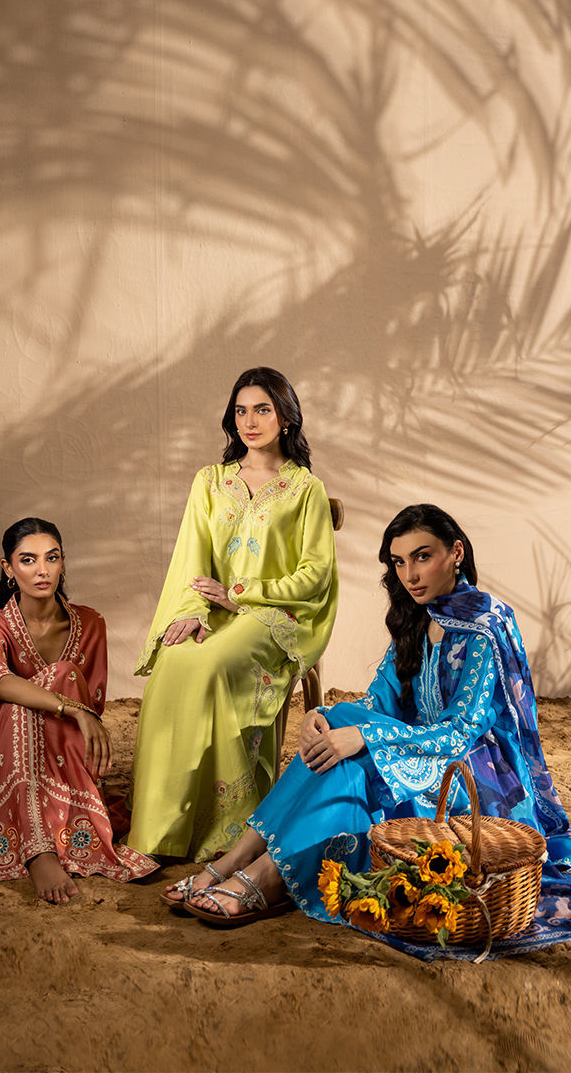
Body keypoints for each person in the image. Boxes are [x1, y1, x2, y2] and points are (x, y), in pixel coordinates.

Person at [170, 503, 571, 932]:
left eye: (422, 557)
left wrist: (368, 738)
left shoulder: (486, 623)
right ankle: (238, 860)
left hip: (471, 774)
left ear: (456, 552)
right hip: (419, 748)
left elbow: (462, 732)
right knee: (340, 722)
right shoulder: (418, 616)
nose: (410, 575)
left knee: (359, 752)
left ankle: (268, 875)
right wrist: (320, 718)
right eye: (399, 562)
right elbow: (377, 703)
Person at [127, 368, 339, 864]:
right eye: (241, 411)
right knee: (174, 663)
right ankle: (162, 829)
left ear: (286, 417)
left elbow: (316, 573)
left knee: (212, 666)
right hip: (213, 609)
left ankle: (228, 828)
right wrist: (195, 610)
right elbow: (191, 558)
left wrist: (242, 594)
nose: (250, 421)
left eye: (263, 409)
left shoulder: (305, 489)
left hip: (277, 613)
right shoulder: (210, 481)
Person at [0, 517, 157, 903]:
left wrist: (77, 709)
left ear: (63, 564)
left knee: (61, 677)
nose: (42, 570)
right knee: (19, 705)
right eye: (28, 560)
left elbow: (91, 699)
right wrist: (71, 709)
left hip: (67, 751)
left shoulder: (91, 623)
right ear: (8, 568)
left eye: (52, 558)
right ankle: (38, 851)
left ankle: (46, 839)